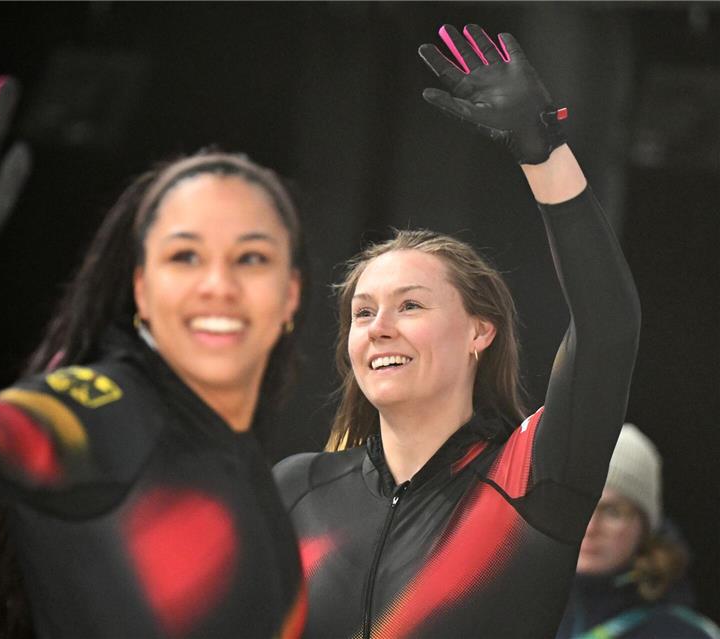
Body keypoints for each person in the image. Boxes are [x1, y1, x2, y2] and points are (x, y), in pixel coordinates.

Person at [0, 63, 306, 638]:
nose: (219, 284)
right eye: (185, 256)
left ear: (290, 295)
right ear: (141, 288)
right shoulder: (113, 408)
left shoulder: (241, 453)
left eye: (251, 257)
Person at [273, 23, 642, 639]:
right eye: (363, 313)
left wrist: (541, 148)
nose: (380, 328)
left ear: (480, 332)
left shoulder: (533, 474)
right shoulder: (296, 487)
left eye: (411, 305)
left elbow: (608, 326)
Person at [556, 424, 720, 639]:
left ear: (645, 528)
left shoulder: (686, 634)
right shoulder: (522, 611)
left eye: (613, 512)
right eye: (580, 506)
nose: (590, 527)